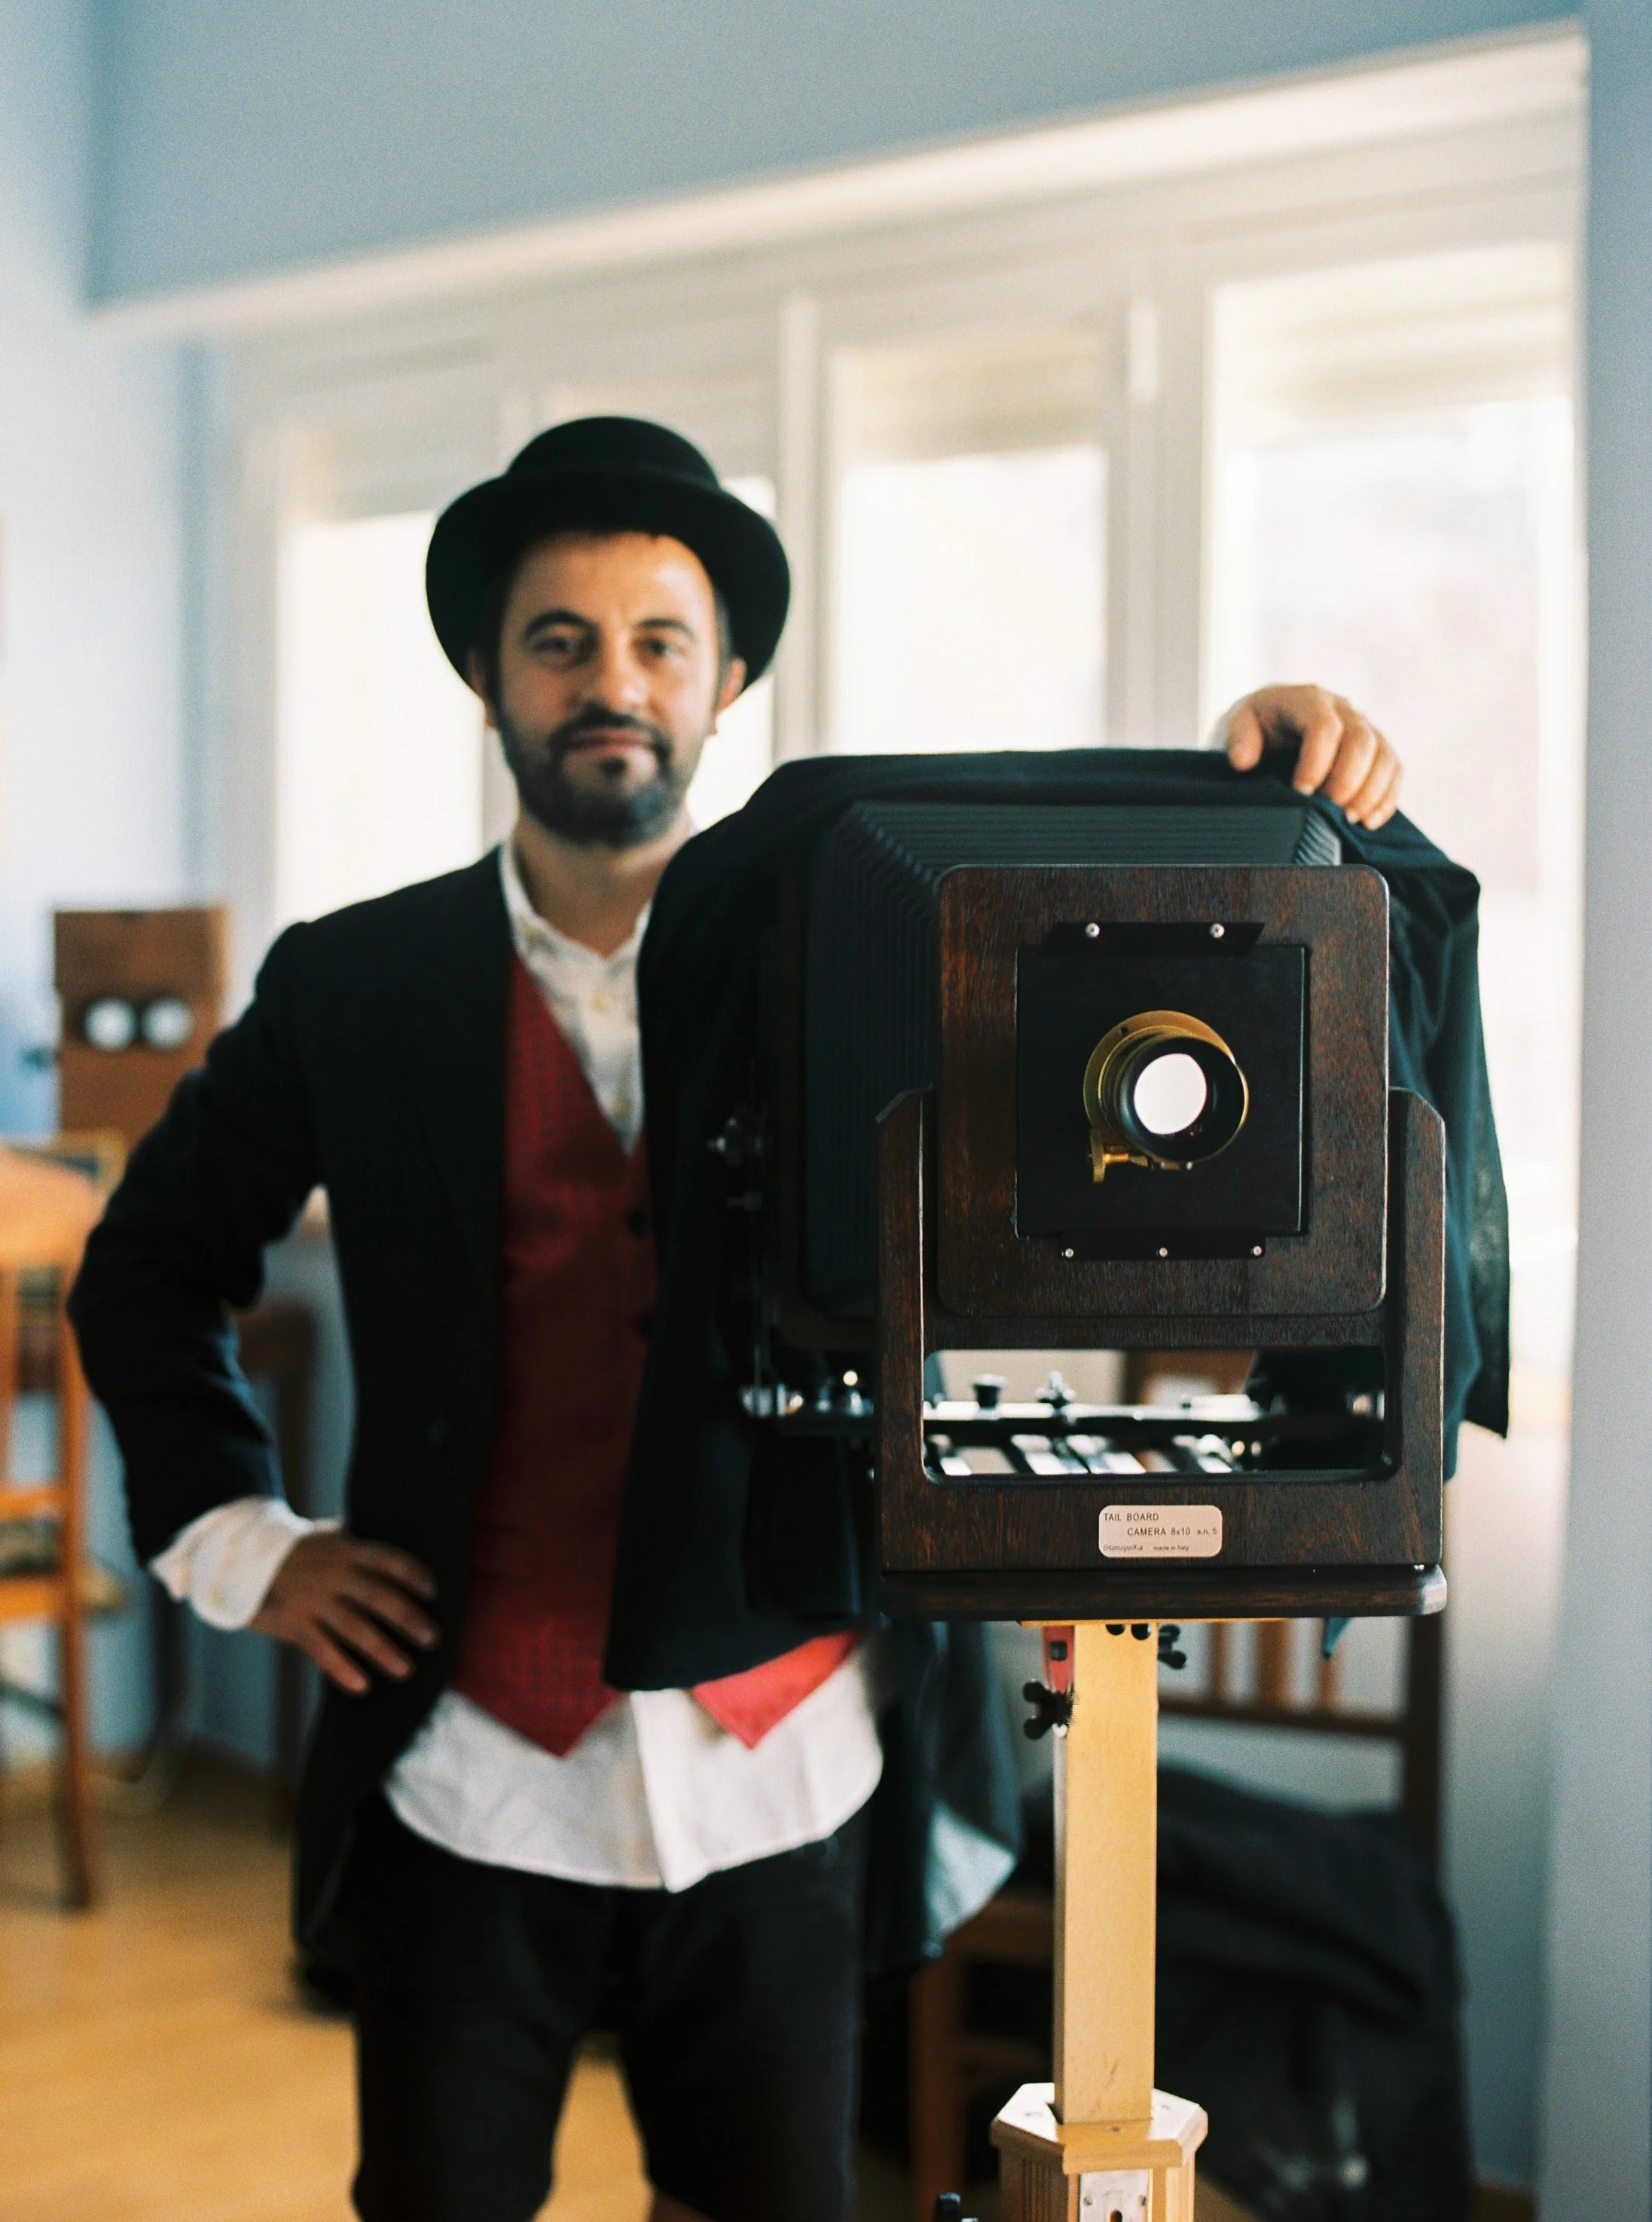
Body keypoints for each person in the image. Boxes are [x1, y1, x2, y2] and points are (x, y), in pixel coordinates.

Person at [69, 416, 1404, 2222]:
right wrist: (245, 1541)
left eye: (656, 641)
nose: (608, 682)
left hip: (791, 1765)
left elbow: (1137, 977)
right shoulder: (352, 980)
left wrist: (1273, 776)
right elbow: (148, 1263)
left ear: (729, 680)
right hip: (469, 1767)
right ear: (487, 679)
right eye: (559, 640)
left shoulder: (885, 955)